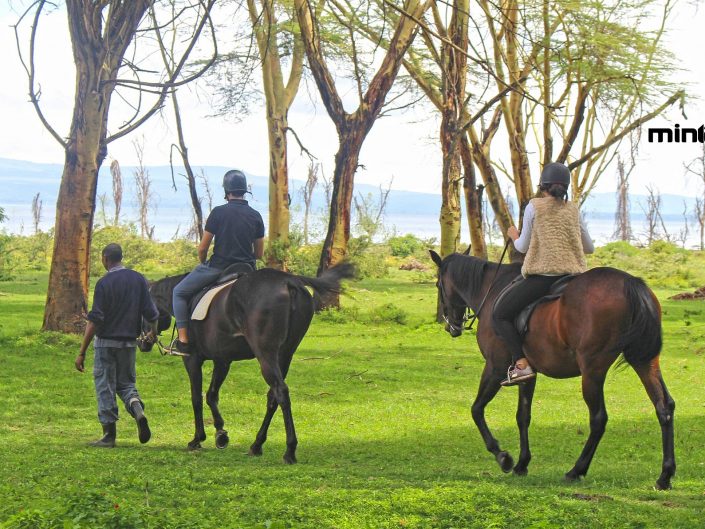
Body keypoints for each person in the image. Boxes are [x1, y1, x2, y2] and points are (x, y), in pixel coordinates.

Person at [493, 162, 594, 386]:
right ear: (565, 187)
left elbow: (522, 247)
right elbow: (589, 248)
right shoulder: (573, 209)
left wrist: (513, 234)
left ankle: (521, 364)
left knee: (499, 314)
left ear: (543, 186)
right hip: (574, 277)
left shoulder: (534, 207)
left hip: (543, 278)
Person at [166, 169, 265, 355]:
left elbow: (203, 248)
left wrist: (202, 263)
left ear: (226, 191)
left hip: (220, 267)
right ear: (244, 190)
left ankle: (183, 339)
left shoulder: (218, 212)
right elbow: (259, 253)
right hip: (247, 269)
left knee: (178, 292)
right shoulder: (256, 215)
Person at [75, 243, 159, 447]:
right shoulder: (138, 279)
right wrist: (153, 333)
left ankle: (108, 435)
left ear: (105, 258)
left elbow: (95, 320)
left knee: (105, 385)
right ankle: (137, 409)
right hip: (129, 343)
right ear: (121, 257)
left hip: (106, 343)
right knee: (126, 384)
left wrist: (82, 352)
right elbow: (152, 312)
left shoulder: (104, 283)